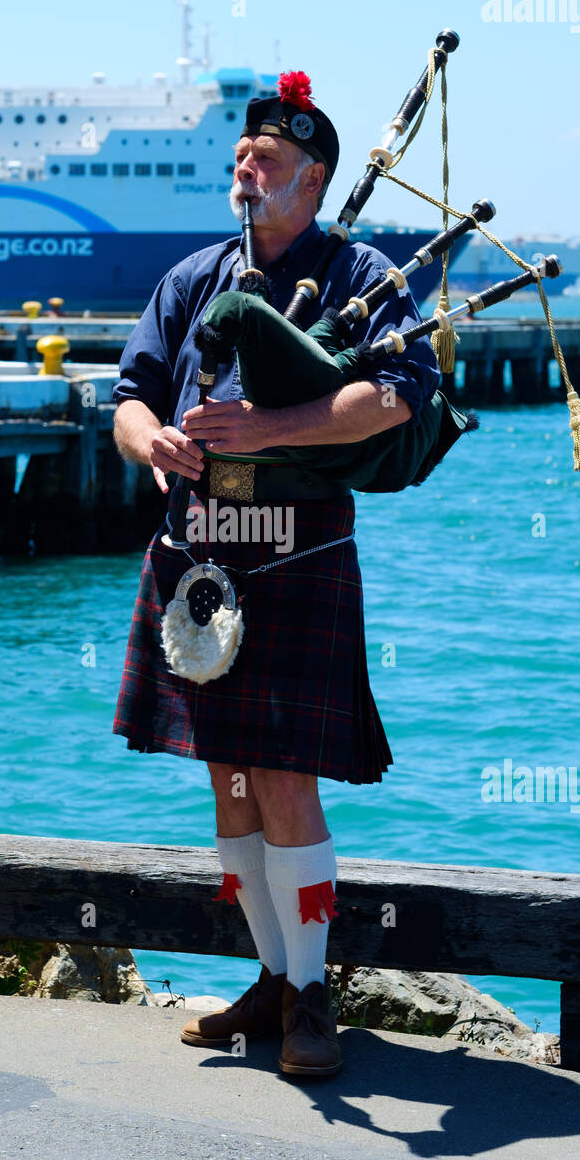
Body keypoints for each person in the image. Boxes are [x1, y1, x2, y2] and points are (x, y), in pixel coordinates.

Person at [111, 72, 440, 1077]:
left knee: (285, 782)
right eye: (243, 156)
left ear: (315, 179)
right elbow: (125, 395)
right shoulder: (192, 278)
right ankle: (266, 975)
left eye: (268, 160)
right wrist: (152, 444)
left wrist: (270, 427)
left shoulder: (362, 277)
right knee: (230, 781)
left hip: (296, 554)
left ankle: (309, 995)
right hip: (199, 553)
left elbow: (392, 398)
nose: (246, 169)